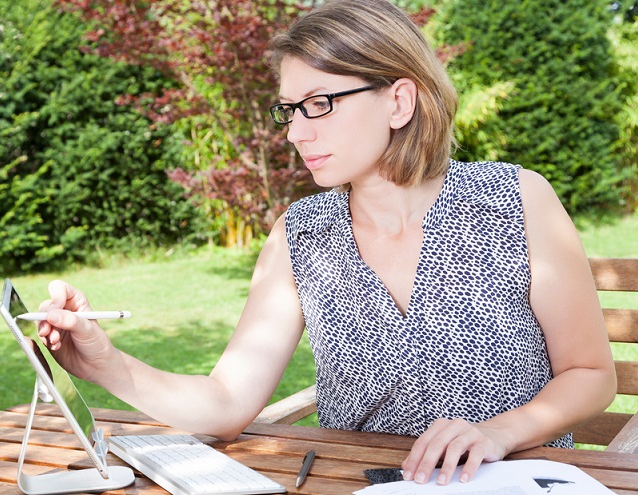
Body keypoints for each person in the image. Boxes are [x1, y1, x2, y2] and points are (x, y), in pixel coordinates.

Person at [35, 0, 616, 486]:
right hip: (352, 482)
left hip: (514, 480)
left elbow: (592, 374)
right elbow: (228, 401)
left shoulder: (515, 198)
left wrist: (498, 431)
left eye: (320, 104)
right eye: (289, 110)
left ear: (399, 101)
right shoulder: (300, 234)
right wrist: (105, 364)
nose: (296, 131)